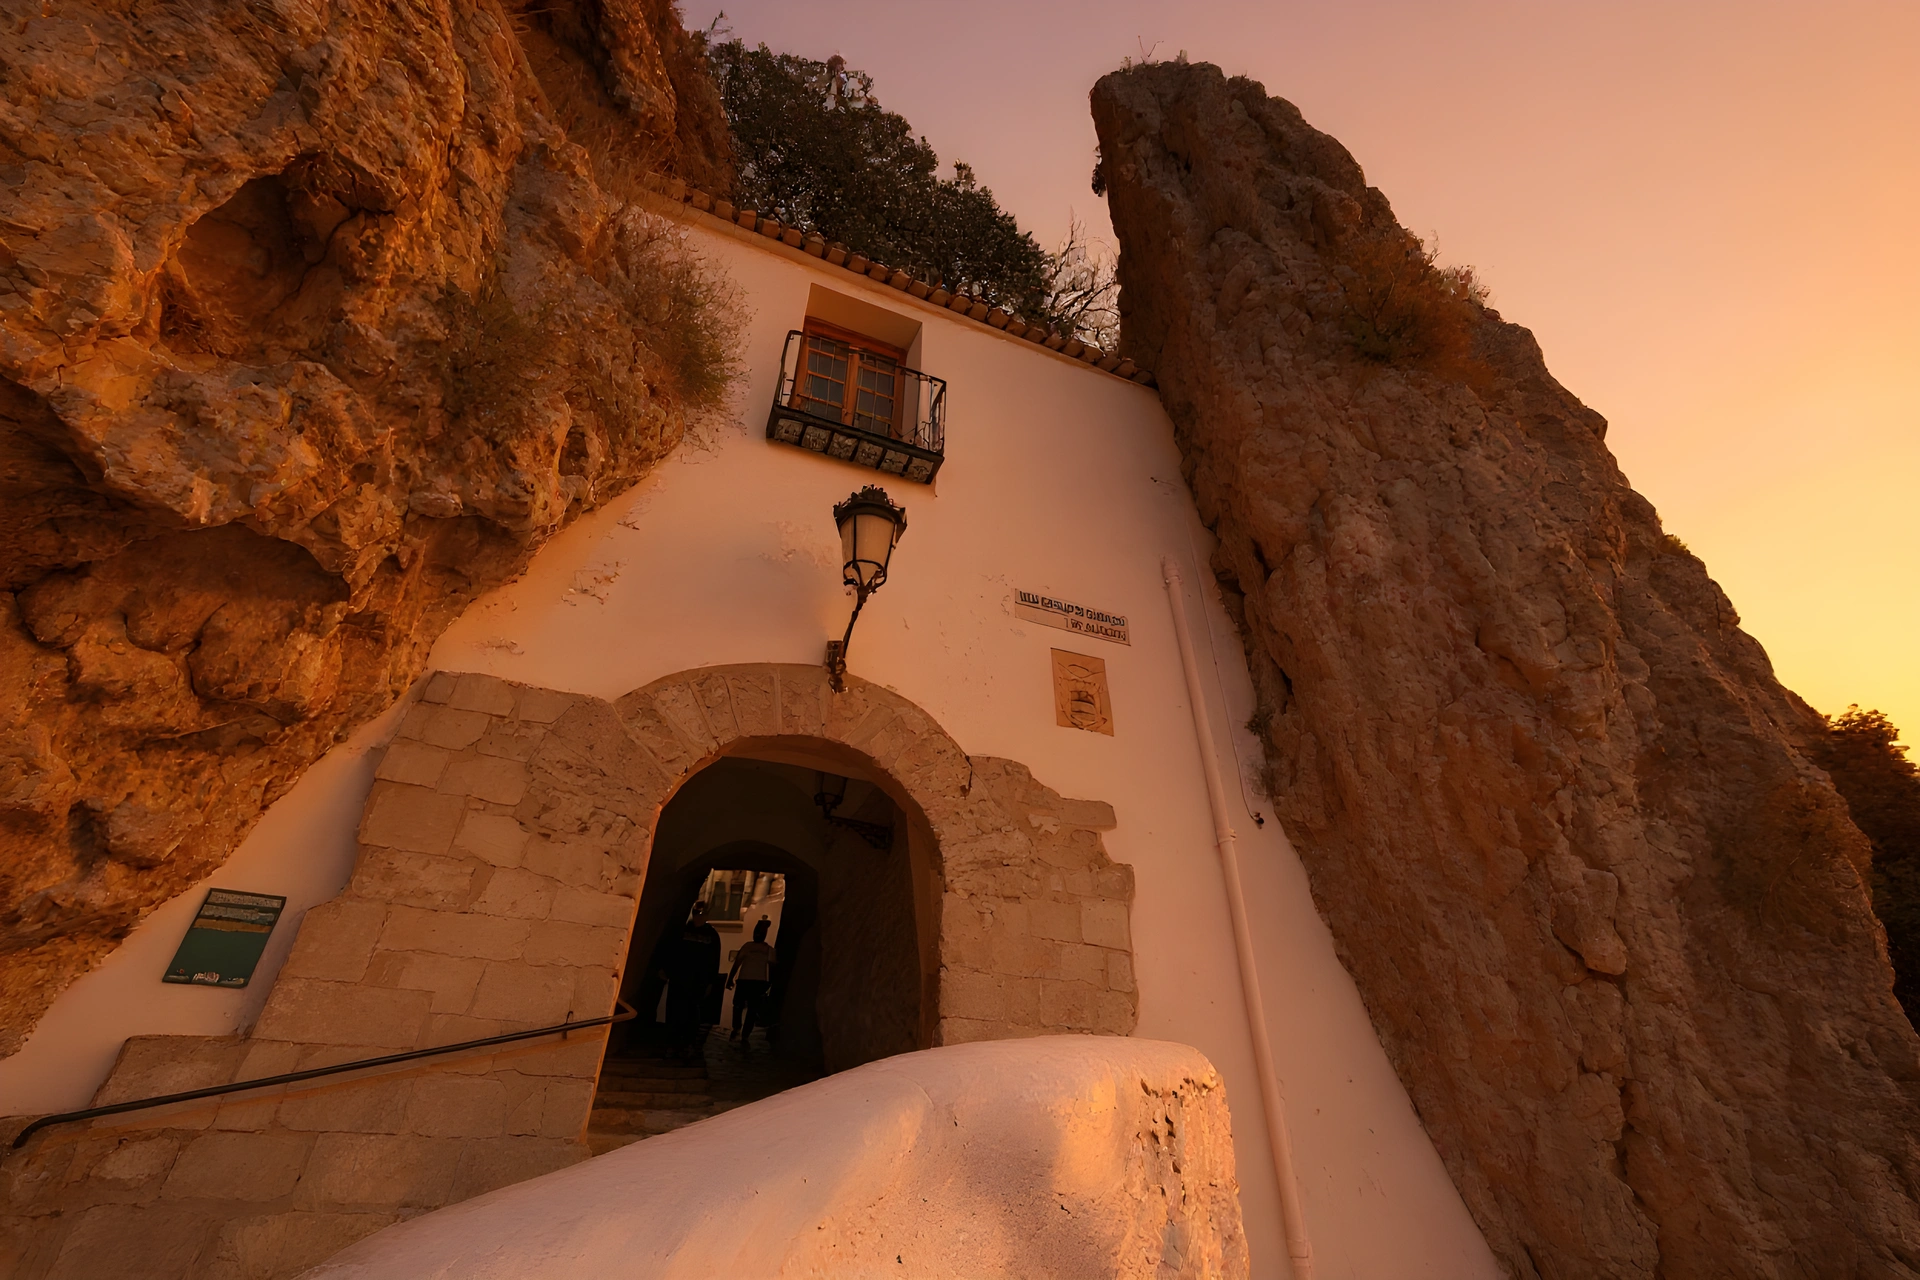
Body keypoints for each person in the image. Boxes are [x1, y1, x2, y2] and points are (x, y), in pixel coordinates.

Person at [660, 901, 722, 1061]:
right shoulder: (682, 931)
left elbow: (714, 961)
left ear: (707, 915)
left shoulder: (711, 936)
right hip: (679, 979)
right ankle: (672, 1045)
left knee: (691, 1015)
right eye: (696, 913)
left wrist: (710, 982)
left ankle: (687, 1045)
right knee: (674, 1012)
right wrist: (665, 969)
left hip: (698, 983)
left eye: (701, 914)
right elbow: (670, 950)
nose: (698, 917)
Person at [727, 916, 776, 1051]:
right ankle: (738, 1028)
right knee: (740, 1006)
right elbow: (738, 963)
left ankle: (744, 1033)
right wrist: (730, 978)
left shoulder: (767, 949)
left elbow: (772, 967)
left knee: (750, 1009)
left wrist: (769, 983)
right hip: (747, 981)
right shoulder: (749, 946)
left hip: (756, 982)